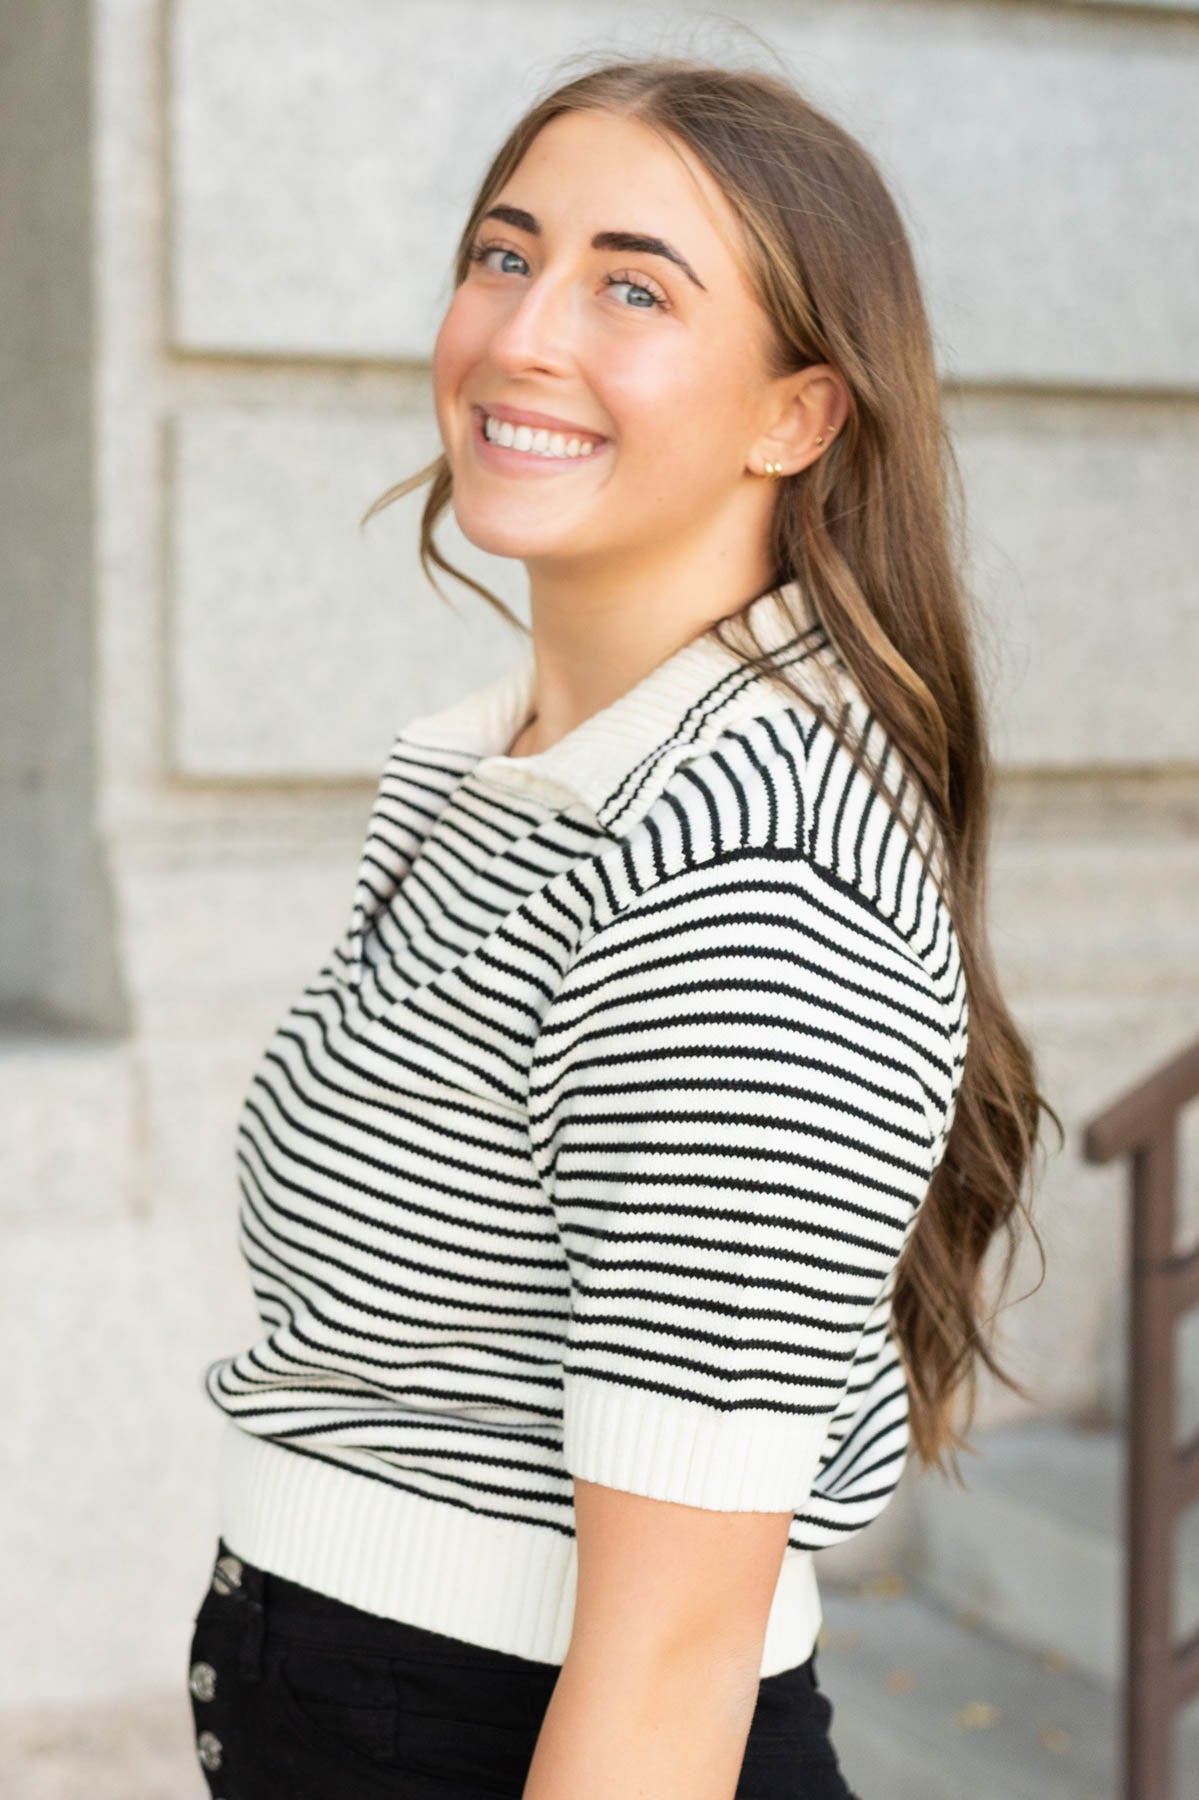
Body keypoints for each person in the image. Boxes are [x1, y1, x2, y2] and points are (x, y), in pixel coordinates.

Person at [187, 51, 1058, 1800]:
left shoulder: (745, 867)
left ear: (795, 416)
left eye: (632, 288)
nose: (523, 333)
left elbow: (666, 1665)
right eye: (506, 255)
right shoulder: (525, 771)